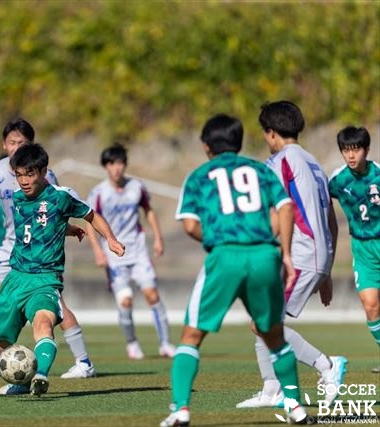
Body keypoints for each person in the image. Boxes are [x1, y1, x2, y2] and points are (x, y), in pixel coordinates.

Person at [161, 113, 306, 426]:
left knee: (191, 335)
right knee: (275, 338)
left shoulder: (199, 176)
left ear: (205, 146)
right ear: (239, 142)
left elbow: (189, 225)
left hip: (225, 257)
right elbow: (285, 207)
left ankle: (181, 409)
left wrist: (218, 238)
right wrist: (286, 254)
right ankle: (295, 407)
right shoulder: (260, 170)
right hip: (265, 256)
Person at [0, 143, 125, 396]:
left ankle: (40, 375)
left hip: (45, 280)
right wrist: (67, 229)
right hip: (14, 280)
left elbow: (92, 216)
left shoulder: (62, 196)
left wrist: (110, 239)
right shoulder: (18, 198)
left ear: (44, 171)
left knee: (43, 325)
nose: (23, 180)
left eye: (29, 174)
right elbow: (36, 228)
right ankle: (22, 379)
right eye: (19, 174)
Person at [0, 118, 97, 381]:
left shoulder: (45, 176)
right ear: (4, 144)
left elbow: (55, 212)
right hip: (10, 247)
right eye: (12, 142)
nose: (16, 147)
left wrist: (69, 230)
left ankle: (83, 361)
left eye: (22, 143)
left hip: (39, 253)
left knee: (53, 308)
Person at [236, 101, 347, 409]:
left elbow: (276, 214)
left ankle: (326, 365)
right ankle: (272, 387)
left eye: (265, 133)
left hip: (300, 254)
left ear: (271, 134)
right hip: (317, 254)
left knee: (264, 322)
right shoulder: (313, 163)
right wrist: (326, 270)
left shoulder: (279, 162)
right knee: (262, 316)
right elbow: (330, 220)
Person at [86, 144, 175, 360]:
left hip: (137, 249)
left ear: (124, 165)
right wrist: (98, 250)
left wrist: (158, 238)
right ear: (105, 167)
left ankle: (165, 344)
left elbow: (149, 212)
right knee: (125, 300)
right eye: (111, 164)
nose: (116, 168)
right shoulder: (98, 193)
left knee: (152, 295)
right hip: (113, 253)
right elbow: (89, 222)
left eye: (119, 163)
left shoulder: (137, 187)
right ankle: (132, 344)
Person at [328, 126, 379, 373]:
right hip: (362, 248)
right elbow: (318, 197)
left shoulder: (379, 174)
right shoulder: (337, 180)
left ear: (366, 150)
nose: (351, 155)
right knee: (370, 304)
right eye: (346, 150)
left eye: (355, 149)